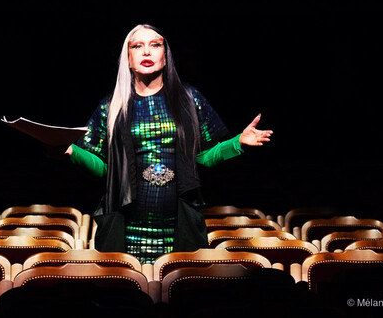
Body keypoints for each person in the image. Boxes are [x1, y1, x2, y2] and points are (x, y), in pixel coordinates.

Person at [62, 24, 273, 264]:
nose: (146, 52)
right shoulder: (112, 106)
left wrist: (238, 143)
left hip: (180, 228)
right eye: (137, 46)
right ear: (128, 58)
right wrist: (71, 151)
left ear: (165, 56)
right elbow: (105, 170)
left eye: (155, 45)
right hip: (125, 229)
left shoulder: (189, 99)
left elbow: (203, 158)